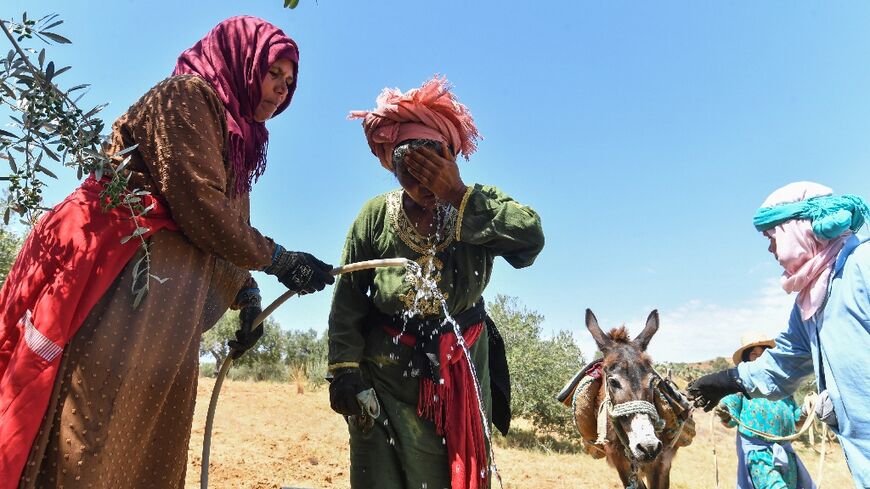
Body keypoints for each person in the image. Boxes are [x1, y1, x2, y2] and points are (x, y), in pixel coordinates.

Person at [0, 16, 334, 488]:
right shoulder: (186, 97)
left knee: (144, 448)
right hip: (117, 289)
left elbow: (227, 226)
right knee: (90, 434)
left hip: (164, 318)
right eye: (273, 72)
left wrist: (248, 294)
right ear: (242, 60)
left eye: (289, 82)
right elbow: (200, 206)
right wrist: (280, 260)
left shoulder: (239, 140)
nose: (281, 89)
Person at [328, 76, 544, 489]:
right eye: (410, 175)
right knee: (380, 474)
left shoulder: (477, 201)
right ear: (393, 170)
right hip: (384, 377)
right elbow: (348, 301)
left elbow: (531, 239)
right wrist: (344, 372)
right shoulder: (375, 216)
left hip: (457, 375)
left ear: (451, 160)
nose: (424, 187)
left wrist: (459, 195)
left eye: (433, 173)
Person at [687, 181, 869, 488]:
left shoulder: (862, 266)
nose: (770, 248)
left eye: (773, 237)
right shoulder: (810, 305)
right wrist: (729, 380)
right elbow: (783, 364)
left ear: (801, 229)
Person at [717, 332, 814, 489]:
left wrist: (807, 408)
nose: (758, 358)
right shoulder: (741, 387)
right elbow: (729, 413)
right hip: (758, 455)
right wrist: (724, 410)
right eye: (753, 354)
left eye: (762, 354)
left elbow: (796, 421)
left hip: (786, 454)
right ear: (747, 358)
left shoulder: (783, 388)